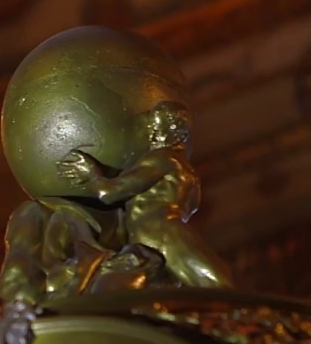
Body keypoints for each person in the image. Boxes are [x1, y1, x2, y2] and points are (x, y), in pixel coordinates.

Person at [55, 101, 233, 289]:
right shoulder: (189, 175)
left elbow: (108, 193)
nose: (151, 132)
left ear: (169, 129)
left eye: (155, 126)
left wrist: (91, 172)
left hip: (155, 234)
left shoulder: (164, 158)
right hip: (165, 233)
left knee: (216, 287)